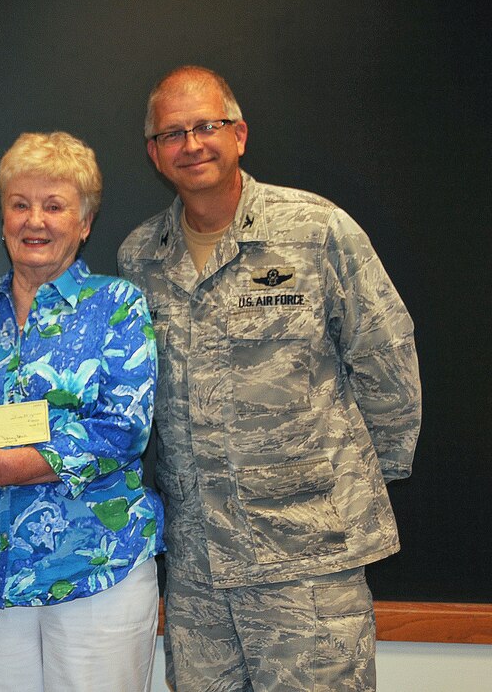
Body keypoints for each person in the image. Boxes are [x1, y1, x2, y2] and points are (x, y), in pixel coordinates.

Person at [118, 66, 422, 691]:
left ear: (240, 135)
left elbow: (386, 356)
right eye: (173, 133)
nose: (192, 144)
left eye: (208, 126)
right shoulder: (140, 258)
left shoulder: (316, 231)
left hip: (309, 562)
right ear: (154, 153)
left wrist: (347, 485)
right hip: (199, 571)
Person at [0, 132, 163, 692]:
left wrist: (8, 468)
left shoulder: (118, 306)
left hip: (95, 572)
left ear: (84, 223)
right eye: (20, 204)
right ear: (4, 216)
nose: (34, 220)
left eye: (54, 205)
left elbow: (122, 430)